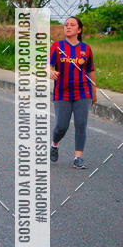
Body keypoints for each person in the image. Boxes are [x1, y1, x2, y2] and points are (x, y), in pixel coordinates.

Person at [49, 16, 96, 169]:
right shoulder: (57, 46)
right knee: (61, 126)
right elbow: (47, 65)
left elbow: (90, 71)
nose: (68, 27)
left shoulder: (86, 49)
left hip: (83, 92)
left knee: (81, 124)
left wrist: (93, 92)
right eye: (66, 25)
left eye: (72, 25)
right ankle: (54, 144)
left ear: (79, 30)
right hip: (62, 93)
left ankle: (78, 158)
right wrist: (50, 71)